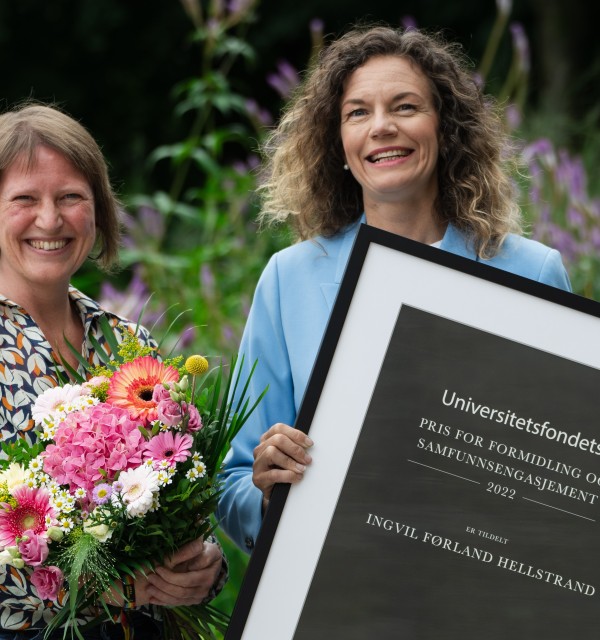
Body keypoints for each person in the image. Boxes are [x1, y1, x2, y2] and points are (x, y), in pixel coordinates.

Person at [216, 25, 572, 553]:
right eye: (358, 112)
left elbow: (568, 470)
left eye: (405, 107)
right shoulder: (288, 280)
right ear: (337, 143)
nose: (381, 127)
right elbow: (233, 486)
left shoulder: (531, 273)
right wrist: (268, 492)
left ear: (446, 128)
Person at [0, 102, 226, 639]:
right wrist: (96, 589)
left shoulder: (130, 345)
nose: (50, 219)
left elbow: (184, 503)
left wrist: (203, 567)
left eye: (71, 197)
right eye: (24, 199)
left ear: (98, 209)